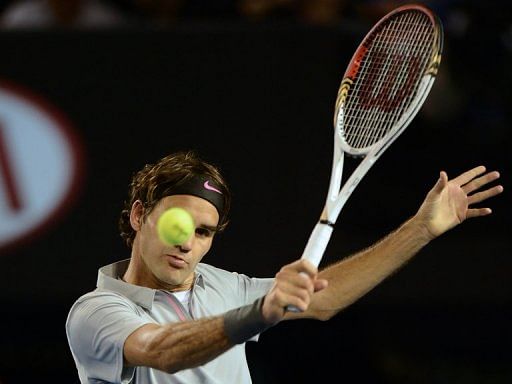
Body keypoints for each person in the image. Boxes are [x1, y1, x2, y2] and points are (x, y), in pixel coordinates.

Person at [66, 150, 503, 383]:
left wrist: (420, 230)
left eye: (204, 232)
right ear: (140, 216)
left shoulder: (223, 286)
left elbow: (323, 297)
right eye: (176, 224)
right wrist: (261, 311)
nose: (187, 242)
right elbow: (162, 351)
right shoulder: (96, 311)